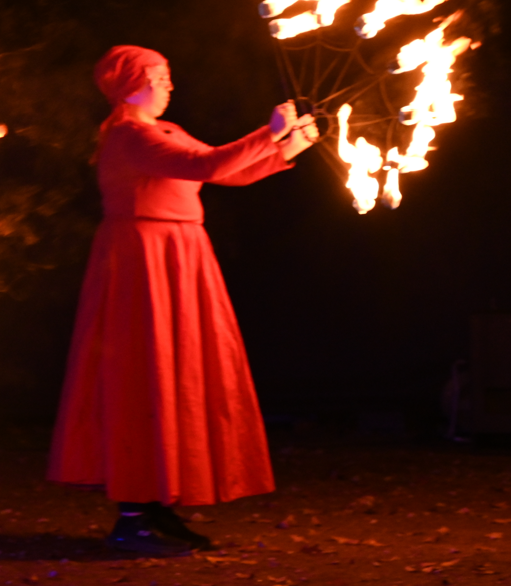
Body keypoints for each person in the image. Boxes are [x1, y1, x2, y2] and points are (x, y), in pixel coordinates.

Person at [46, 44, 318, 557]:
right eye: (162, 77)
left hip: (178, 254)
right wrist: (270, 131)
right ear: (133, 82)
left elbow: (225, 172)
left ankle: (153, 502)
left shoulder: (162, 131)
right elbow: (210, 165)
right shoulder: (127, 135)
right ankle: (133, 514)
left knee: (176, 373)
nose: (172, 86)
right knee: (143, 375)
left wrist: (288, 147)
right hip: (143, 259)